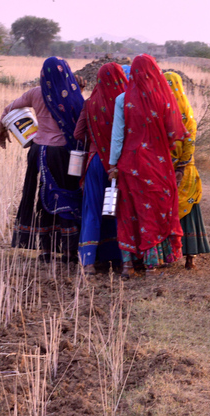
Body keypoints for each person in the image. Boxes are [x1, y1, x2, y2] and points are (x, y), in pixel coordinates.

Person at [0, 57, 84, 262]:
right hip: (62, 153)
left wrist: (1, 131)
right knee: (67, 196)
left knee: (44, 196)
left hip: (38, 151)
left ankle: (46, 250)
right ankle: (69, 250)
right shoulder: (72, 94)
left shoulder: (36, 93)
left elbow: (8, 111)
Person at [108, 54, 187, 277]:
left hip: (130, 163)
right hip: (158, 164)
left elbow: (117, 136)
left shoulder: (123, 100)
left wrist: (113, 164)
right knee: (154, 211)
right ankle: (153, 263)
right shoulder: (165, 98)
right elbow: (175, 133)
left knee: (129, 212)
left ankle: (128, 265)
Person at [74, 62, 127, 275]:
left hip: (95, 163)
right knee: (119, 211)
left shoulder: (90, 103)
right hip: (120, 165)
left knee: (93, 210)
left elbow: (78, 134)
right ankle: (122, 260)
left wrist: (95, 139)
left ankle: (88, 262)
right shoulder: (126, 102)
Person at [163, 70, 210, 270]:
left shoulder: (163, 112)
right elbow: (189, 143)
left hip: (168, 169)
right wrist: (183, 165)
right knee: (189, 211)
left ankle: (169, 254)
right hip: (186, 169)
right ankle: (190, 259)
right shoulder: (188, 113)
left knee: (170, 210)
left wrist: (178, 166)